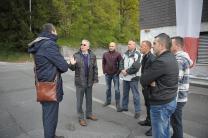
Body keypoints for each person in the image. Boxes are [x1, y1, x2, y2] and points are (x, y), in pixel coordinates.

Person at [28, 23, 68, 138]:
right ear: (52, 31)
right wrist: (69, 63)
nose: (57, 33)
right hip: (51, 86)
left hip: (42, 84)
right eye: (56, 31)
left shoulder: (39, 44)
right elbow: (63, 67)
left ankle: (51, 135)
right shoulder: (49, 45)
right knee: (50, 116)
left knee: (48, 114)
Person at [140, 33, 179, 138]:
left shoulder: (161, 61)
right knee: (164, 130)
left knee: (159, 134)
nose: (152, 46)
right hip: (169, 100)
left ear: (161, 45)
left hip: (161, 104)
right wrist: (152, 81)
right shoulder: (171, 57)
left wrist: (152, 82)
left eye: (154, 43)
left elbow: (143, 79)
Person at [68, 39, 99, 126]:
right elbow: (72, 68)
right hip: (80, 82)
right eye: (81, 44)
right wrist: (72, 64)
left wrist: (95, 79)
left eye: (84, 45)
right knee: (79, 101)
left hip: (89, 81)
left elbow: (95, 68)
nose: (82, 46)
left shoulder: (92, 55)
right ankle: (81, 117)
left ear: (88, 46)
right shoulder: (76, 55)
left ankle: (89, 114)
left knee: (89, 99)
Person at [170, 36, 193, 138]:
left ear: (177, 45)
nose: (169, 46)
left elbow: (175, 79)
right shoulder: (182, 58)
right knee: (175, 122)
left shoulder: (179, 59)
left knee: (176, 123)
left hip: (178, 97)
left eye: (171, 44)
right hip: (180, 96)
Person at [119, 40, 141, 119]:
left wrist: (127, 72)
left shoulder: (138, 54)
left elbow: (136, 66)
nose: (128, 45)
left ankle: (137, 111)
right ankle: (124, 107)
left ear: (134, 45)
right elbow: (121, 62)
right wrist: (122, 70)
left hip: (133, 78)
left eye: (130, 44)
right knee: (125, 94)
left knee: (135, 95)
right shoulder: (125, 54)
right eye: (128, 44)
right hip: (125, 77)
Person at [138, 40, 155, 136]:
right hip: (146, 86)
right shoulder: (145, 56)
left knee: (152, 107)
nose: (140, 48)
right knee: (148, 105)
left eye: (142, 46)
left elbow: (152, 75)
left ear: (147, 47)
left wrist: (147, 85)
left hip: (150, 87)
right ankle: (148, 121)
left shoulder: (152, 58)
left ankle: (154, 127)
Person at [102, 42, 122, 112]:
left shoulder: (118, 54)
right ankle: (108, 101)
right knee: (108, 89)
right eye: (110, 46)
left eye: (112, 46)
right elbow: (103, 63)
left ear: (115, 47)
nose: (111, 47)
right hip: (107, 74)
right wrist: (104, 71)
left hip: (115, 75)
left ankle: (118, 104)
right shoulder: (105, 54)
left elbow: (121, 64)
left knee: (117, 90)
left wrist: (118, 72)